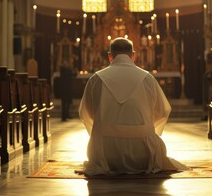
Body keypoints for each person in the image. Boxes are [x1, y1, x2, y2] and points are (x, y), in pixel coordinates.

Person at [78, 37, 188, 176]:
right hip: (143, 153)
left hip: (104, 153)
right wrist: (145, 126)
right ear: (133, 55)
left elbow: (85, 113)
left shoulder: (96, 79)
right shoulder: (147, 78)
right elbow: (163, 111)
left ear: (110, 56)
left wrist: (103, 126)